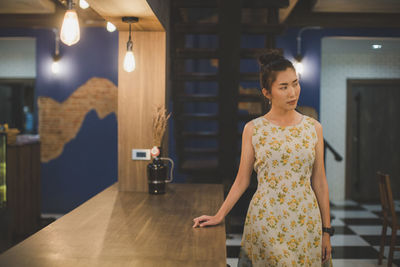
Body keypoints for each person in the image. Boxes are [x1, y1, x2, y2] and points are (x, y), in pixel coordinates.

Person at [192, 50, 333, 266]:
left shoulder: (313, 128)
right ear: (267, 93)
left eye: (295, 84)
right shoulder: (254, 129)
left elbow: (320, 183)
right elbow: (242, 180)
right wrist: (220, 215)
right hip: (267, 220)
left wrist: (326, 231)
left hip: (306, 222)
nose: (292, 92)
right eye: (283, 87)